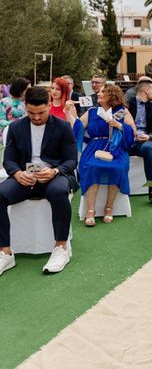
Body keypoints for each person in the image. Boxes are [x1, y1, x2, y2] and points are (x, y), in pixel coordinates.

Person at [0, 87, 78, 276]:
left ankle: (61, 248)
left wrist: (55, 171)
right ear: (25, 108)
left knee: (58, 192)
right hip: (25, 178)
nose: (36, 117)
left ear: (49, 106)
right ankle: (5, 252)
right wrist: (17, 173)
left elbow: (71, 160)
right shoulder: (16, 127)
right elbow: (8, 159)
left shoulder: (63, 127)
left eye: (41, 113)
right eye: (31, 113)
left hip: (56, 177)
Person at [77, 84, 135, 225]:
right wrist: (69, 113)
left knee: (117, 167)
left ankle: (109, 208)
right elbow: (77, 126)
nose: (98, 93)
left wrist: (119, 125)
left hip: (116, 148)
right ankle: (90, 210)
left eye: (102, 91)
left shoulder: (122, 111)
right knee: (91, 166)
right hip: (94, 148)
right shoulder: (91, 112)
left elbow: (132, 131)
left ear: (111, 95)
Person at [128, 80, 152, 203]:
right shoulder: (127, 104)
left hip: (144, 142)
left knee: (148, 148)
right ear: (146, 91)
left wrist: (150, 136)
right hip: (127, 140)